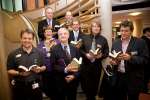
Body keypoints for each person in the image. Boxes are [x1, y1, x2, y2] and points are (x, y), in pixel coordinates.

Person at [109, 20, 149, 100]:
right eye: (122, 31)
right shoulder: (115, 43)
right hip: (119, 76)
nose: (123, 33)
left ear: (131, 31)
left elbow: (145, 59)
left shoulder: (140, 42)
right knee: (120, 97)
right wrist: (113, 62)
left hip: (133, 77)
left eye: (126, 31)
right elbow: (113, 56)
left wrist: (131, 58)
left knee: (133, 97)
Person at [7, 29, 46, 100]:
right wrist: (19, 73)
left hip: (36, 86)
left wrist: (40, 69)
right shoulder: (13, 54)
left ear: (33, 39)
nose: (27, 40)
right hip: (19, 87)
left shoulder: (39, 52)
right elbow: (9, 70)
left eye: (29, 38)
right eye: (24, 38)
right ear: (21, 39)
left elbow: (44, 66)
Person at [80, 21, 109, 100]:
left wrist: (101, 56)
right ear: (91, 28)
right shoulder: (84, 38)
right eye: (94, 26)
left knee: (95, 86)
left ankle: (92, 97)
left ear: (100, 28)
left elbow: (107, 52)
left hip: (97, 66)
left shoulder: (103, 40)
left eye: (98, 26)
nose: (96, 28)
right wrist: (86, 55)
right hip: (86, 66)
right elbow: (80, 50)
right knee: (86, 86)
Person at [50, 28, 80, 100]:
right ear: (58, 36)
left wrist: (74, 76)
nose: (63, 35)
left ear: (68, 35)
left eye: (65, 33)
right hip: (60, 81)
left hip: (73, 81)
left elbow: (80, 64)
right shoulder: (54, 49)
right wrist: (65, 69)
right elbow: (53, 66)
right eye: (60, 34)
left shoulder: (75, 48)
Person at [37, 26, 60, 99]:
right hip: (46, 70)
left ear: (52, 33)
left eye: (50, 31)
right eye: (46, 31)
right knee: (48, 89)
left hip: (57, 69)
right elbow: (39, 56)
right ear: (44, 34)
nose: (48, 33)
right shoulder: (40, 44)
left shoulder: (58, 42)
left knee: (58, 89)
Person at [141, 27, 150, 93]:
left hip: (144, 61)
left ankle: (144, 88)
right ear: (146, 32)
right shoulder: (144, 40)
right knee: (145, 76)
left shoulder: (141, 39)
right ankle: (144, 89)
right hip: (146, 61)